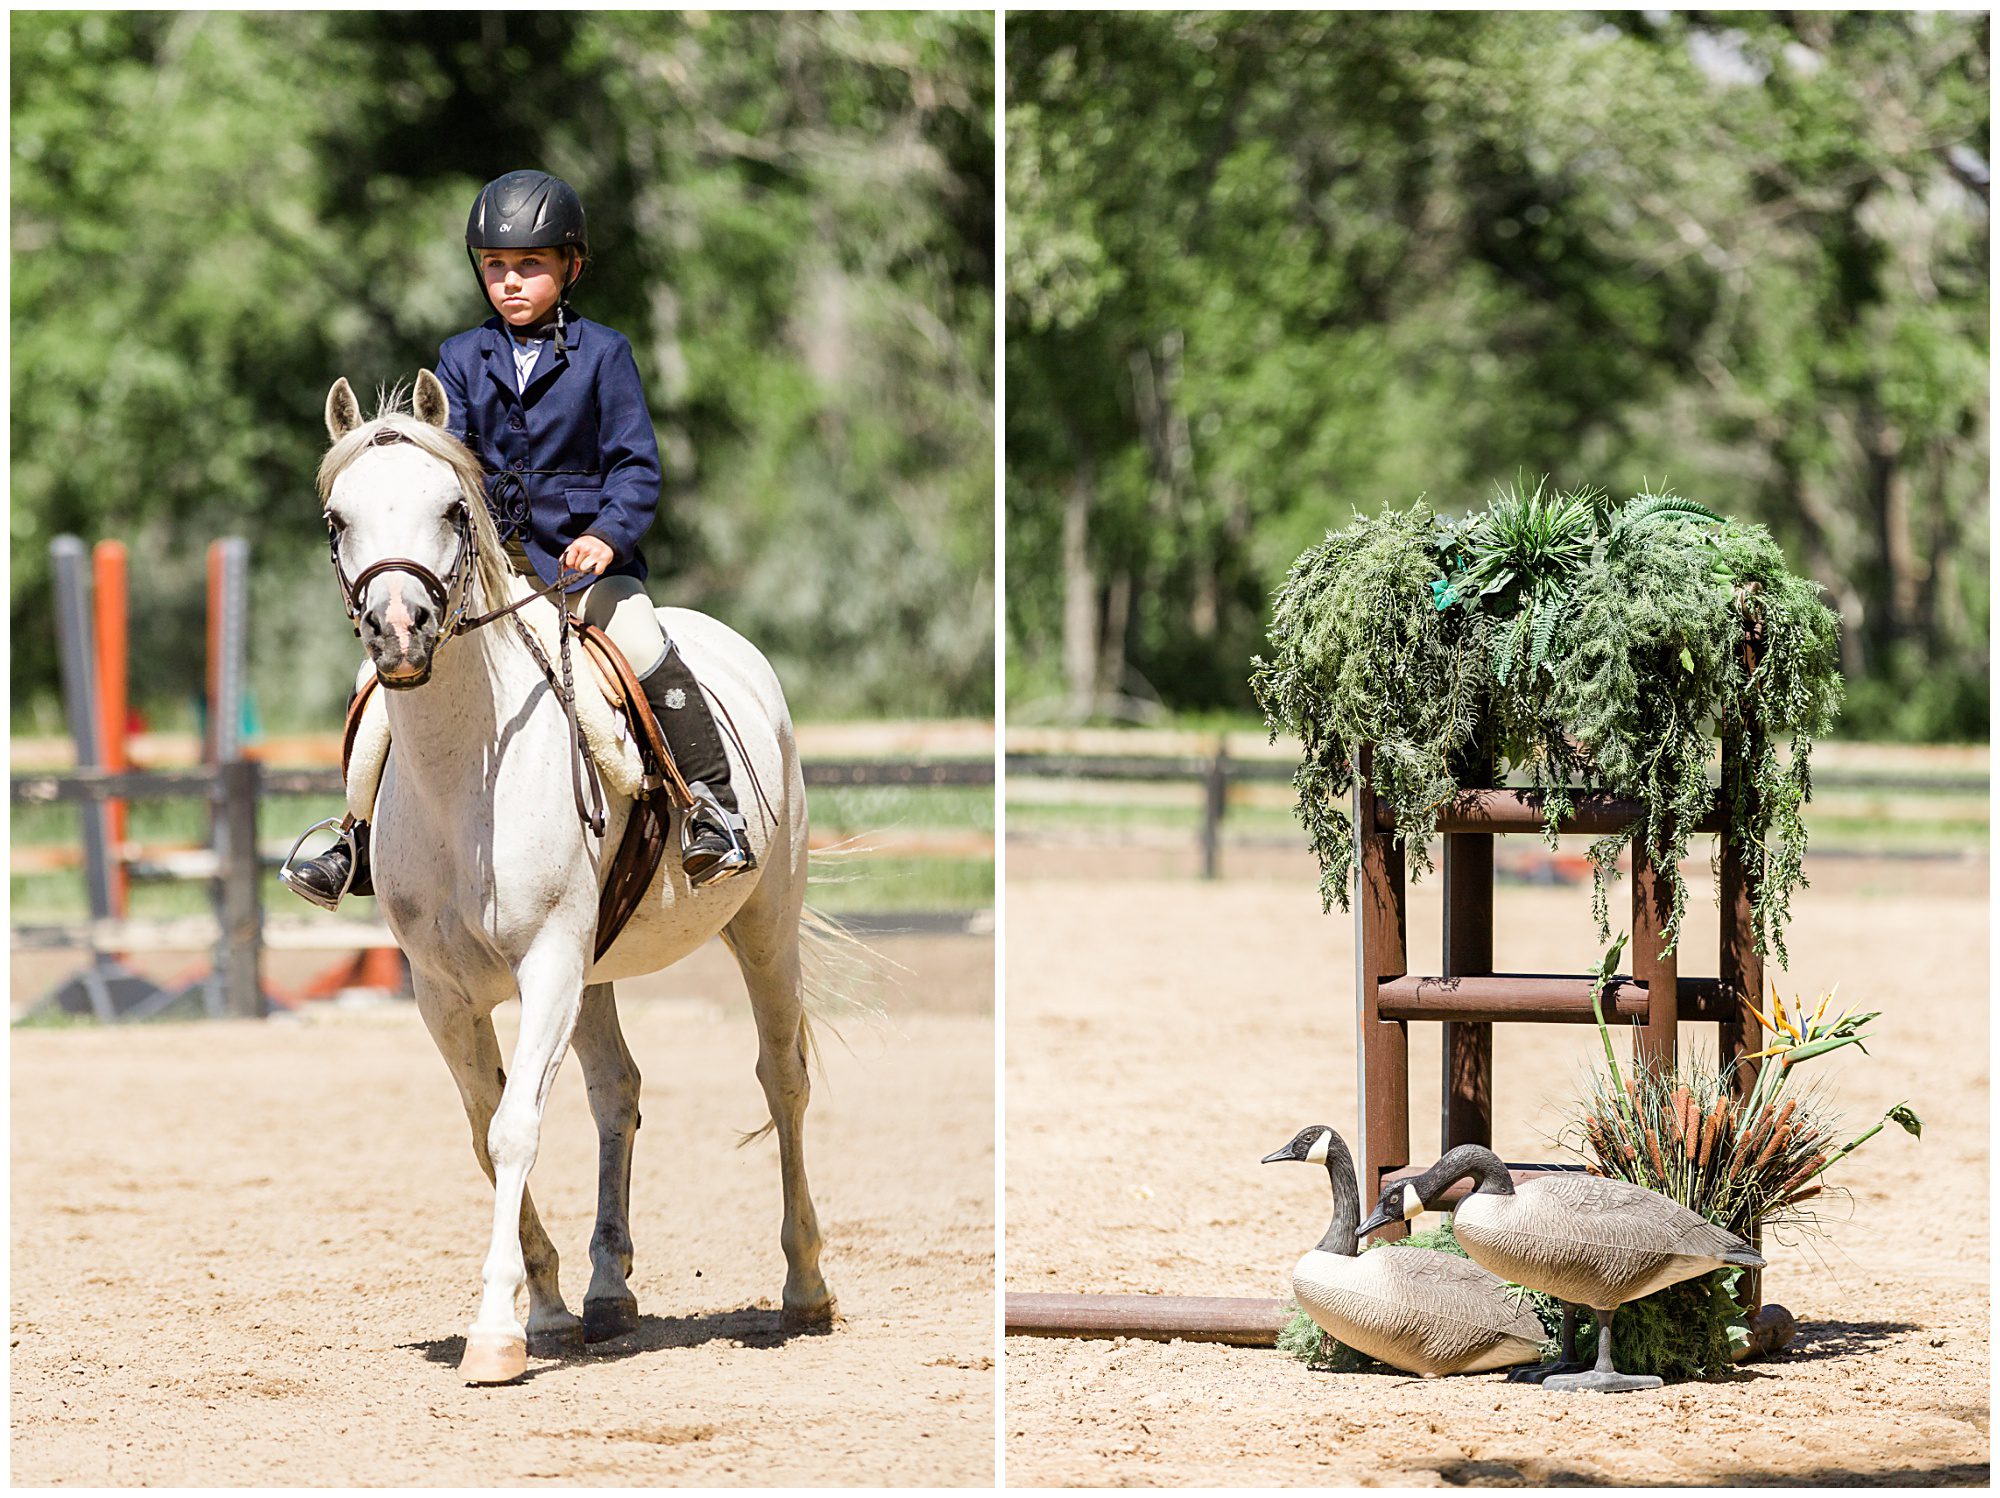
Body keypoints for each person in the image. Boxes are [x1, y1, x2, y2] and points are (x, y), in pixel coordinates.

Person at [283, 169, 754, 909]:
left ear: (570, 267)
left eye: (530, 266)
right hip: (492, 575)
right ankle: (356, 835)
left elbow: (635, 466)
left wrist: (606, 535)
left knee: (643, 645)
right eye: (496, 267)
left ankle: (712, 810)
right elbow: (449, 467)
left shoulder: (605, 355)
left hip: (586, 571)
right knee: (375, 676)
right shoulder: (461, 359)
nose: (510, 282)